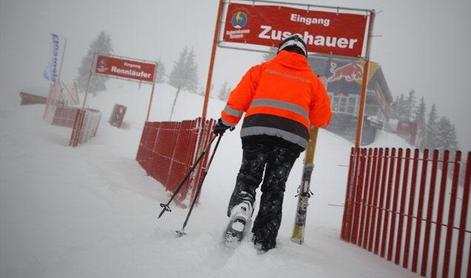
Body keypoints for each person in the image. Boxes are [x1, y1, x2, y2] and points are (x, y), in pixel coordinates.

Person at [213, 34, 332, 252]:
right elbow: (321, 119)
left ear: (281, 51)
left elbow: (238, 99)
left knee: (249, 175)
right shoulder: (313, 81)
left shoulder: (260, 70)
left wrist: (225, 121)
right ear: (304, 56)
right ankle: (263, 239)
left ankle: (243, 205)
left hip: (257, 130)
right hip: (291, 138)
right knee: (275, 186)